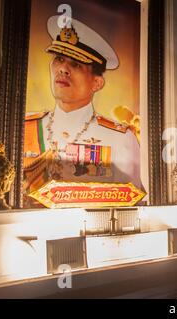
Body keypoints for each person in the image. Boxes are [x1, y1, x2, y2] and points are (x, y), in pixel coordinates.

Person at [23, 16, 141, 195]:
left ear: (97, 83)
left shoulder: (121, 138)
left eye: (75, 64)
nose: (62, 69)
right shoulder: (23, 127)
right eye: (59, 59)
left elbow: (132, 201)